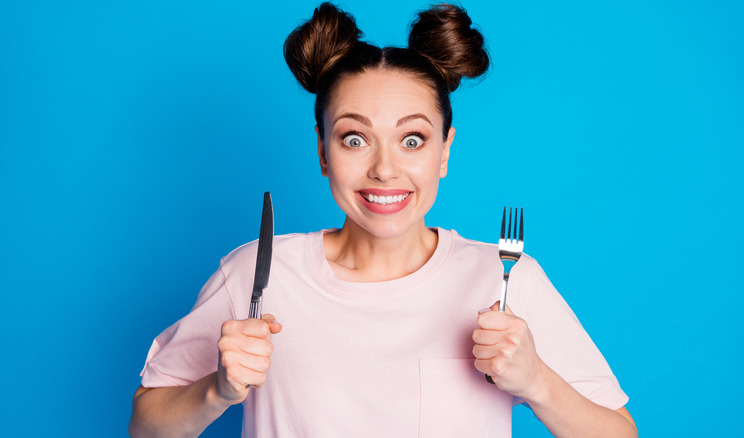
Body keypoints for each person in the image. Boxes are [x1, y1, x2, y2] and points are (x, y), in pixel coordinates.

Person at [129, 3, 637, 437]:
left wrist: (537, 382)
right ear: (324, 152)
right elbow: (145, 424)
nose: (385, 169)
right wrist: (216, 390)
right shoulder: (256, 273)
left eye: (412, 140)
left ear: (444, 152)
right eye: (355, 138)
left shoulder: (506, 278)